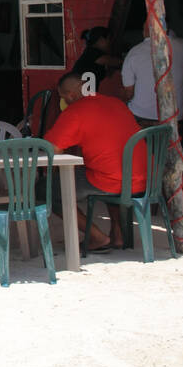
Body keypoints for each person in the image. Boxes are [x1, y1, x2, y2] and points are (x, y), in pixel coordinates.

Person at [45, 71, 148, 250]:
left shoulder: (76, 111)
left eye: (63, 97)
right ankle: (118, 236)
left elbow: (52, 149)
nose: (63, 102)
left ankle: (97, 237)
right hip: (141, 178)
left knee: (50, 192)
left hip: (111, 181)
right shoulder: (116, 103)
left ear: (71, 95)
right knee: (104, 170)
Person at [120, 30, 183, 128]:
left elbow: (129, 93)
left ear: (145, 32)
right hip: (176, 118)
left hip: (142, 117)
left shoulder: (134, 52)